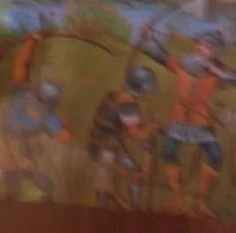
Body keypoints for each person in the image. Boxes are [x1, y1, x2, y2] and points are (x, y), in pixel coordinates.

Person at [140, 27, 236, 217]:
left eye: (209, 47)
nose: (203, 49)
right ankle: (177, 197)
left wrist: (217, 71)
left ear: (215, 52)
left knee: (216, 156)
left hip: (201, 120)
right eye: (202, 44)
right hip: (179, 118)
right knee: (168, 152)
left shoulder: (219, 72)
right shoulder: (183, 62)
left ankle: (200, 200)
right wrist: (149, 39)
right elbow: (160, 56)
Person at [1, 31, 71, 200]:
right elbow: (65, 137)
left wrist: (32, 40)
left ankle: (31, 186)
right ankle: (30, 189)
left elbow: (21, 63)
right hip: (14, 140)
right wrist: (64, 123)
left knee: (23, 169)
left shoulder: (22, 90)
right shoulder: (48, 117)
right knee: (22, 168)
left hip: (8, 134)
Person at [89, 66, 158, 211]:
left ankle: (106, 207)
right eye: (149, 89)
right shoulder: (128, 104)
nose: (151, 93)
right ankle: (135, 210)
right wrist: (151, 128)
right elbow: (136, 134)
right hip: (108, 148)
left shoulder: (113, 95)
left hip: (97, 142)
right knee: (135, 172)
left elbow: (120, 123)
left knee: (106, 184)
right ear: (141, 89)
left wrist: (139, 126)